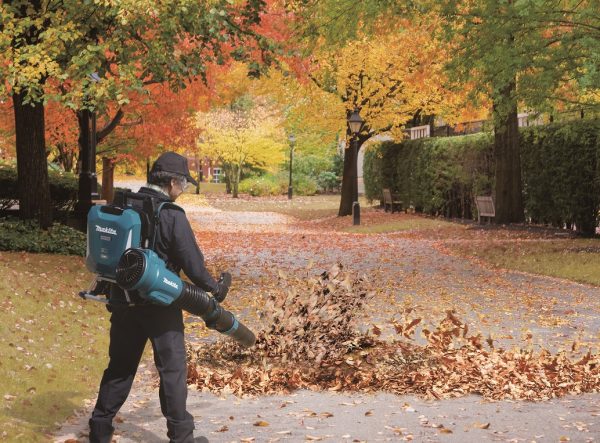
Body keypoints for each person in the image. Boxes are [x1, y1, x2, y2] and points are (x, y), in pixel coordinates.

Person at [89, 152, 230, 443]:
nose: (183, 190)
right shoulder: (171, 215)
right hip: (160, 303)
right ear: (172, 182)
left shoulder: (124, 204)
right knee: (172, 370)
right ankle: (181, 436)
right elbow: (193, 264)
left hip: (123, 299)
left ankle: (99, 428)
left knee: (120, 366)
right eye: (183, 184)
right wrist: (216, 289)